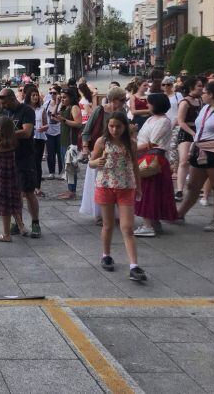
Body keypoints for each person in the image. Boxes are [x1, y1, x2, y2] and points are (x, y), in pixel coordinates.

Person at [89, 112, 147, 282]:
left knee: (127, 227)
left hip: (126, 186)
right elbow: (91, 162)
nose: (114, 130)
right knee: (107, 225)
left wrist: (138, 186)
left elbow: (135, 166)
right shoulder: (102, 141)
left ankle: (134, 265)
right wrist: (97, 162)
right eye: (111, 126)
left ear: (125, 127)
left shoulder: (131, 143)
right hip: (105, 185)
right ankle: (106, 254)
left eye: (119, 126)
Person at [175, 80, 214, 231]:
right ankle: (180, 214)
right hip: (200, 149)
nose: (202, 94)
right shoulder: (206, 108)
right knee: (193, 185)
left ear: (211, 95)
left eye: (204, 92)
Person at [0, 88, 41, 238]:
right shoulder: (7, 112)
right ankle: (18, 223)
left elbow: (27, 132)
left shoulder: (26, 110)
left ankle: (35, 223)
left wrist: (5, 134)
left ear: (11, 98)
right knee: (14, 194)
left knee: (28, 192)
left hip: (25, 156)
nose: (3, 106)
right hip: (10, 157)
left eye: (4, 103)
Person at [80, 87, 126, 225]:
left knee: (114, 182)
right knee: (98, 183)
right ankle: (99, 214)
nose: (124, 103)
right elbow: (86, 130)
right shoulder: (99, 110)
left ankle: (114, 212)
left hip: (116, 151)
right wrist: (85, 147)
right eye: (122, 100)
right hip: (98, 149)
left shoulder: (122, 112)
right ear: (114, 100)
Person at [134, 93, 177, 237]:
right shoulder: (152, 119)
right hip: (149, 156)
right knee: (152, 191)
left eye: (149, 103)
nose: (147, 105)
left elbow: (153, 142)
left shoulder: (163, 121)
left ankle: (148, 225)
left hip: (153, 158)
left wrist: (133, 148)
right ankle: (153, 222)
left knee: (149, 192)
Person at [0, 117, 25, 240]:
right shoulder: (13, 141)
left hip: (1, 177)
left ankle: (6, 234)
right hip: (12, 176)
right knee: (13, 201)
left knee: (5, 206)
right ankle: (21, 226)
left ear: (1, 130)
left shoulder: (0, 144)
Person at [175, 77, 205, 201]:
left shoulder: (201, 100)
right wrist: (193, 133)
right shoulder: (185, 102)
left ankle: (194, 186)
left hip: (199, 132)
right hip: (187, 132)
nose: (201, 88)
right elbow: (180, 121)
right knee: (184, 160)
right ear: (191, 87)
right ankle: (180, 190)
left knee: (198, 160)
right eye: (199, 86)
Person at [56, 88, 83, 200]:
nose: (62, 99)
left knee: (71, 166)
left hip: (71, 141)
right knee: (66, 166)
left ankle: (72, 191)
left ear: (71, 97)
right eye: (61, 97)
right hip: (64, 139)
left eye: (64, 97)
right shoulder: (65, 107)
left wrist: (64, 120)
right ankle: (70, 189)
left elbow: (78, 123)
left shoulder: (74, 107)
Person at [27, 88, 48, 197]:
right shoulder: (25, 109)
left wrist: (43, 128)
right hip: (27, 138)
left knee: (37, 163)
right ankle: (28, 186)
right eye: (33, 95)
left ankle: (37, 187)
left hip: (39, 138)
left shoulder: (42, 109)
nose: (35, 97)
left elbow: (46, 124)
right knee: (27, 163)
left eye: (36, 95)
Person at [44, 85, 63, 179]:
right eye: (50, 93)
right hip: (49, 131)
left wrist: (57, 103)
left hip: (59, 131)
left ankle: (61, 171)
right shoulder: (47, 103)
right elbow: (44, 115)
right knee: (50, 153)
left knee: (60, 152)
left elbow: (53, 116)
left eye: (54, 93)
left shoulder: (62, 104)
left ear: (59, 94)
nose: (52, 94)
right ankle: (51, 172)